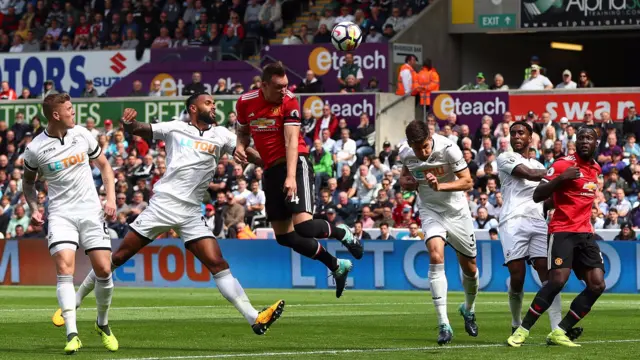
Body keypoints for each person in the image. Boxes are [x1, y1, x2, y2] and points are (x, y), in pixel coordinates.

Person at [53, 93, 285, 337]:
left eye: (214, 103)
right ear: (193, 108)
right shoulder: (175, 128)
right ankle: (75, 301)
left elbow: (249, 153)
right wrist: (130, 123)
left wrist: (275, 167)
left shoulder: (222, 135)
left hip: (191, 212)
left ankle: (255, 319)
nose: (213, 106)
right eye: (208, 103)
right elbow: (142, 129)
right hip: (164, 205)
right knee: (119, 256)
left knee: (218, 264)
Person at [234, 62, 363, 298]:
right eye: (278, 87)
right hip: (270, 169)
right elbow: (242, 131)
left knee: (303, 225)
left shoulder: (290, 100)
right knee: (285, 237)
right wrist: (241, 146)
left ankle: (342, 232)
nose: (284, 90)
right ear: (263, 85)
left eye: (286, 85)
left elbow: (292, 141)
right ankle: (336, 265)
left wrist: (292, 177)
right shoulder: (245, 102)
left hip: (296, 163)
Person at [24, 94, 118, 354]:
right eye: (69, 109)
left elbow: (105, 167)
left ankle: (102, 323)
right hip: (61, 214)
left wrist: (110, 199)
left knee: (104, 269)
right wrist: (33, 208)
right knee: (65, 268)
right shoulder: (35, 148)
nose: (73, 113)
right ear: (56, 115)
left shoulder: (83, 135)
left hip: (91, 211)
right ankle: (72, 334)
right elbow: (28, 183)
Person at [508, 127, 606, 347]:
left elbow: (575, 197)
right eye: (580, 137)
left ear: (596, 143)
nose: (584, 141)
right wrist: (561, 178)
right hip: (563, 231)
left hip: (585, 234)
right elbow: (538, 195)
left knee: (597, 284)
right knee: (557, 281)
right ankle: (522, 331)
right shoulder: (563, 164)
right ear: (576, 141)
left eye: (589, 138)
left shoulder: (596, 169)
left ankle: (560, 331)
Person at [497, 122, 583, 340]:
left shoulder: (538, 162)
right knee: (518, 277)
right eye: (513, 133)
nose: (516, 136)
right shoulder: (506, 158)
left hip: (537, 221)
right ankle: (516, 323)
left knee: (550, 276)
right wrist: (561, 173)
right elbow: (530, 174)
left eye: (520, 133)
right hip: (512, 221)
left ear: (530, 137)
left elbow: (546, 198)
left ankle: (557, 329)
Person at [399, 120, 478, 345]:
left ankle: (468, 309)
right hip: (430, 210)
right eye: (417, 149)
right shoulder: (406, 152)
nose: (422, 153)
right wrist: (407, 182)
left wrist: (440, 186)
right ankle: (444, 324)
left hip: (457, 212)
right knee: (435, 255)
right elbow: (405, 177)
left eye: (425, 146)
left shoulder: (449, 149)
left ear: (430, 137)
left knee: (470, 268)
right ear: (410, 145)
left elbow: (468, 182)